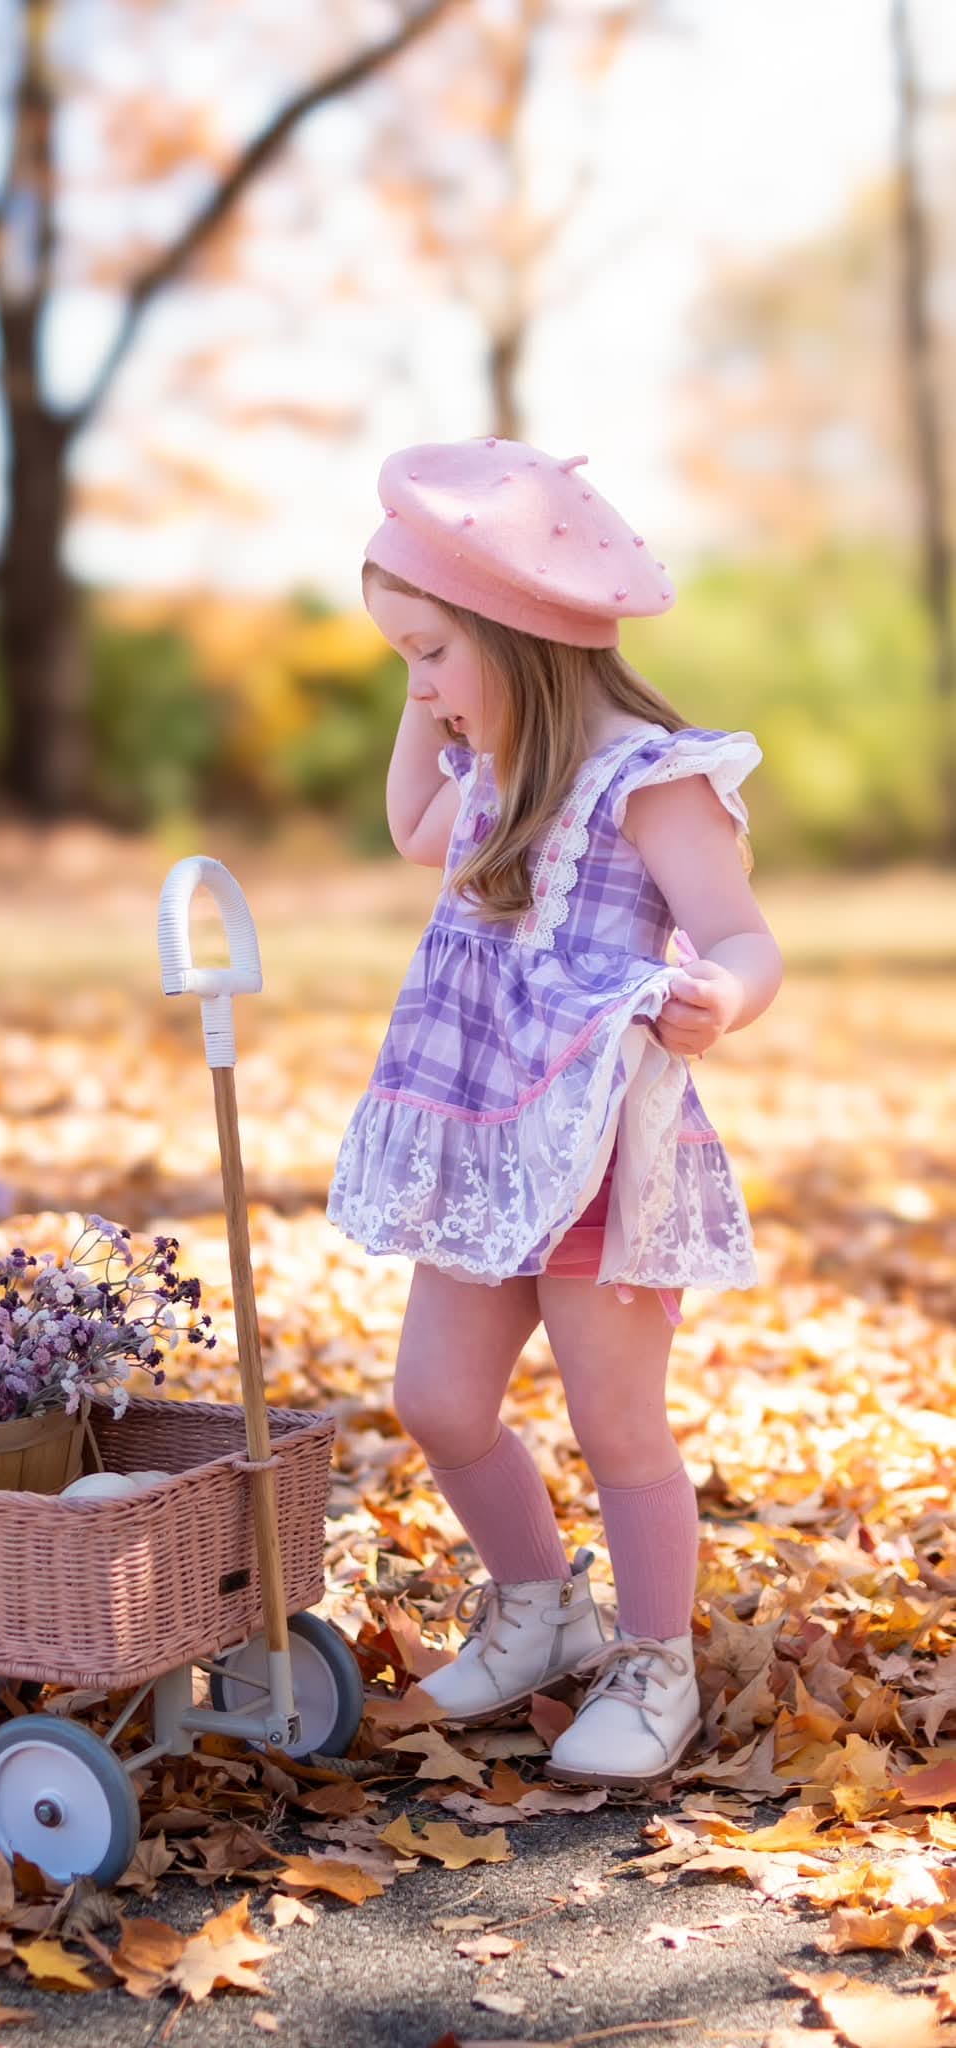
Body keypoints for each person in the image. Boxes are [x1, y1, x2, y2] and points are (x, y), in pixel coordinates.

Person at [325, 436, 783, 1794]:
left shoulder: (649, 776)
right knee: (438, 1399)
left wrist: (719, 996)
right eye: (402, 657)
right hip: (481, 1138)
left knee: (617, 1423)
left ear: (518, 636)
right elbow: (410, 819)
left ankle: (653, 1662)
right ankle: (540, 1608)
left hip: (600, 1149)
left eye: (428, 655)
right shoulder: (482, 776)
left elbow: (744, 936)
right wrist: (437, 677)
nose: (416, 687)